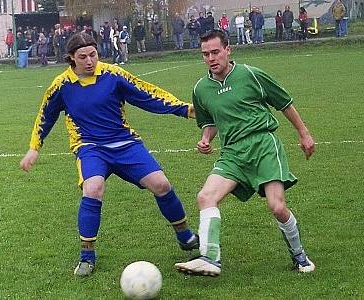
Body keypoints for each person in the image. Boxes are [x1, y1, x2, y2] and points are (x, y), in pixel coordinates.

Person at [19, 32, 199, 277]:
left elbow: (147, 94)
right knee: (92, 189)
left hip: (125, 143)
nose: (90, 61)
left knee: (161, 184)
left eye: (93, 54)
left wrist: (185, 110)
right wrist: (34, 147)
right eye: (82, 57)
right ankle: (86, 256)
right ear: (71, 58)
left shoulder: (113, 75)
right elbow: (45, 116)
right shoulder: (61, 85)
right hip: (90, 147)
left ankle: (185, 235)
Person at [174, 29, 316, 276]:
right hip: (232, 153)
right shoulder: (200, 89)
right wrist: (205, 139)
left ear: (228, 50)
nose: (211, 58)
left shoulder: (251, 74)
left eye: (216, 52)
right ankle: (210, 258)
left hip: (263, 145)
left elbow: (284, 103)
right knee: (205, 197)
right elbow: (209, 122)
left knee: (277, 207)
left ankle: (299, 255)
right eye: (205, 54)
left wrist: (304, 134)